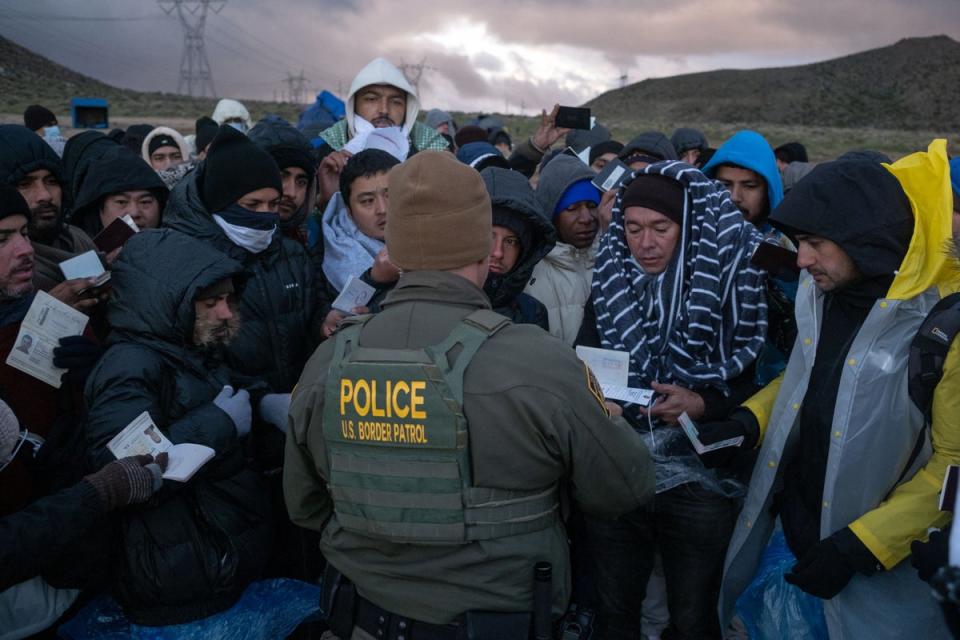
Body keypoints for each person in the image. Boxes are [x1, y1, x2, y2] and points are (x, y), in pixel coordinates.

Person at [284, 150, 654, 637]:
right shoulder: (539, 362)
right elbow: (626, 486)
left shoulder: (330, 361)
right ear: (483, 247)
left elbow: (304, 507)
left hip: (361, 616)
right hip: (499, 618)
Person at [716, 141, 958, 640]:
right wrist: (750, 420)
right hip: (801, 536)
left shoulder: (942, 325)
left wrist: (864, 544)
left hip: (885, 574)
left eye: (815, 242)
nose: (800, 260)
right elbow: (810, 377)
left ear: (862, 237)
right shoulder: (824, 294)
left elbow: (953, 465)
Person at [578, 161, 769, 640]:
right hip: (619, 467)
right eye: (633, 228)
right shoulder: (609, 280)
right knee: (616, 607)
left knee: (693, 614)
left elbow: (755, 384)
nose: (645, 243)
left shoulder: (730, 287)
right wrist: (606, 405)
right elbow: (584, 365)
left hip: (701, 476)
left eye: (661, 229)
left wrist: (702, 403)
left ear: (689, 228)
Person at [83, 228, 279, 625]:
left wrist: (261, 403)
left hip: (214, 558)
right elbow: (125, 469)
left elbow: (208, 392)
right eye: (211, 302)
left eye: (228, 299)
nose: (226, 312)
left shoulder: (184, 346)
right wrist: (220, 423)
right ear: (168, 302)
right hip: (178, 572)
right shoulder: (129, 365)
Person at [164, 124, 317, 394]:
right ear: (220, 201)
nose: (265, 216)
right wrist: (257, 401)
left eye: (272, 205)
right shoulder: (185, 264)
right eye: (252, 206)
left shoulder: (292, 254)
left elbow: (309, 320)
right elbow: (188, 360)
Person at [0, 125, 99, 295]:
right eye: (25, 184)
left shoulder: (77, 239)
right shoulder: (12, 271)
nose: (45, 195)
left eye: (51, 181)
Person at [318, 149, 401, 338]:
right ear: (348, 211)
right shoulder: (331, 257)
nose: (382, 209)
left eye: (391, 195)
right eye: (367, 201)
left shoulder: (432, 238)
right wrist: (374, 280)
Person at [525, 154, 599, 344]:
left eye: (592, 206)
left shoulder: (612, 262)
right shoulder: (528, 274)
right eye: (572, 208)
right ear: (551, 212)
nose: (586, 218)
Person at [480, 166, 556, 328]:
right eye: (489, 236)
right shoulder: (444, 300)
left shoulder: (532, 313)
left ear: (524, 251)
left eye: (511, 241)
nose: (498, 252)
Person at [248, 117, 319, 245]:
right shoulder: (228, 236)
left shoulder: (310, 237)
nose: (291, 193)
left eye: (301, 182)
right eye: (281, 177)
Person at [71, 145, 169, 237]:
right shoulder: (76, 251)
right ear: (100, 209)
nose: (134, 213)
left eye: (145, 202)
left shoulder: (179, 248)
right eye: (121, 202)